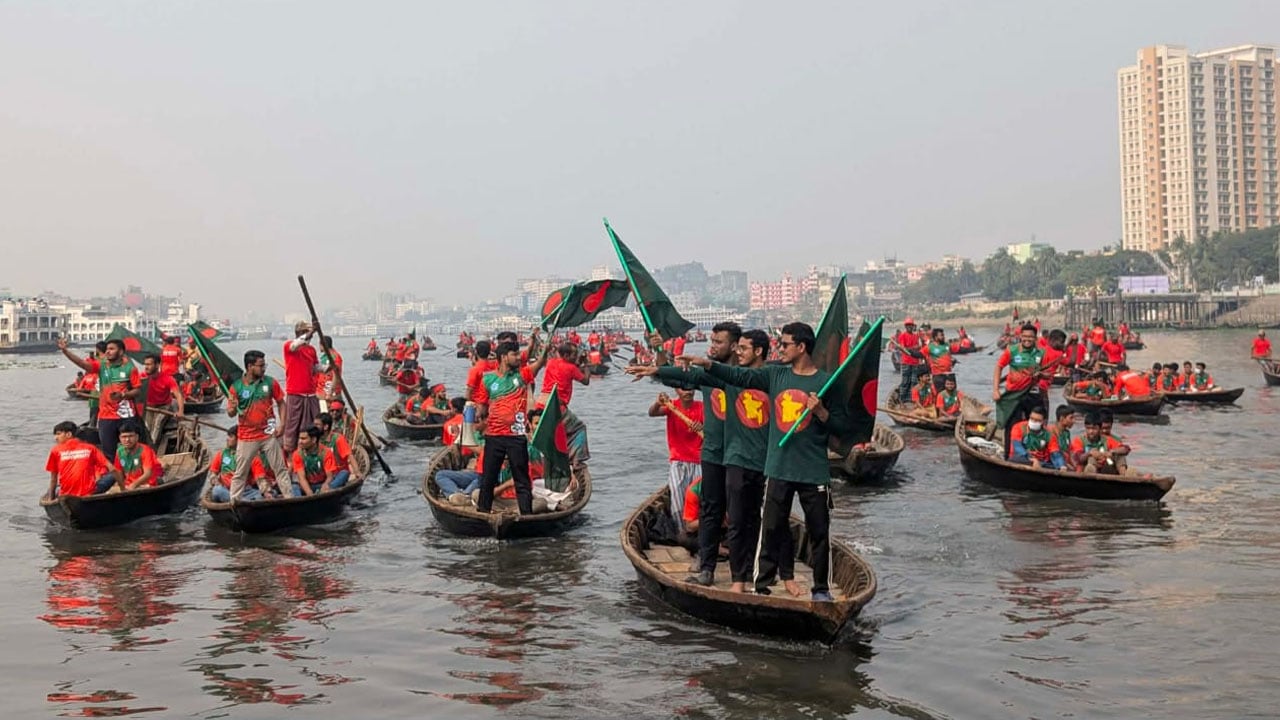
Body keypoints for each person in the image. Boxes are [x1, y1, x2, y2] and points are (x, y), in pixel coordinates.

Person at [678, 321, 845, 602]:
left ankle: (820, 589)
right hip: (777, 466)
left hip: (813, 470)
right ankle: (760, 584)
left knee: (818, 531)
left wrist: (821, 412)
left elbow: (843, 428)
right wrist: (707, 365)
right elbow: (740, 378)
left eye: (785, 344)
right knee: (769, 526)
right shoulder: (774, 375)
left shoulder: (825, 382)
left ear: (801, 347)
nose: (780, 348)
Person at [628, 321, 743, 589]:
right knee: (710, 510)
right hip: (711, 456)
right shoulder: (707, 378)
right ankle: (706, 566)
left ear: (736, 346)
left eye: (718, 342)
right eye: (711, 342)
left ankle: (742, 572)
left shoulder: (746, 377)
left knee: (740, 513)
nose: (712, 347)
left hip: (740, 455)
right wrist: (657, 360)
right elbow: (678, 376)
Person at [472, 336, 549, 514]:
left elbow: (539, 364)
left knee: (522, 479)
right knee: (488, 478)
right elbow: (481, 409)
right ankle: (483, 513)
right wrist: (475, 415)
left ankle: (526, 515)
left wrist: (544, 349)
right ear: (504, 357)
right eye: (515, 354)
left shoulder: (522, 375)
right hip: (494, 436)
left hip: (516, 436)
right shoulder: (487, 380)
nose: (518, 357)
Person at [57, 337, 141, 462]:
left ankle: (133, 473)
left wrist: (123, 395)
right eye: (107, 349)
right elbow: (82, 363)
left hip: (126, 416)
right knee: (108, 452)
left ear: (121, 352)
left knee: (131, 449)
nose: (108, 352)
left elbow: (137, 390)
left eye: (112, 349)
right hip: (106, 417)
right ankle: (115, 477)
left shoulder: (130, 368)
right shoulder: (102, 366)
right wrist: (65, 351)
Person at [226, 349, 294, 501]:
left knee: (280, 469)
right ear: (250, 366)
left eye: (264, 365)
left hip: (268, 434)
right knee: (240, 472)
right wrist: (232, 407)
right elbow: (230, 412)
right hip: (246, 437)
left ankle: (289, 499)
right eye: (260, 365)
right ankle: (234, 502)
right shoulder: (236, 387)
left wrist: (283, 425)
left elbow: (282, 403)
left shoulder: (270, 382)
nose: (263, 368)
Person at [649, 388, 704, 523]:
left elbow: (712, 428)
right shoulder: (671, 406)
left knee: (699, 498)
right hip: (678, 461)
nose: (688, 392)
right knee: (678, 500)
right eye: (683, 389)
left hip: (699, 461)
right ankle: (681, 530)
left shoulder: (702, 407)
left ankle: (699, 531)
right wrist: (658, 402)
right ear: (676, 390)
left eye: (691, 389)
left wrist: (702, 427)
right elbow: (652, 412)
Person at [992, 323, 1046, 450]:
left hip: (1032, 393)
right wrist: (995, 390)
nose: (1027, 339)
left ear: (1035, 338)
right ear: (1020, 336)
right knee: (1012, 425)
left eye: (1030, 337)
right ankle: (1009, 455)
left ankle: (1035, 452)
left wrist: (1041, 375)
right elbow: (999, 367)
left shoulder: (1041, 353)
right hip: (1013, 394)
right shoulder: (1012, 350)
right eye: (1024, 336)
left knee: (1035, 425)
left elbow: (1048, 375)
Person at [45, 420, 114, 498]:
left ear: (69, 434)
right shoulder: (90, 448)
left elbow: (53, 479)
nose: (56, 438)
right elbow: (111, 468)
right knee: (114, 474)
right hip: (89, 491)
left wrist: (51, 499)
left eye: (58, 434)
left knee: (51, 489)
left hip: (66, 493)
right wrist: (122, 487)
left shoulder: (55, 450)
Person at [282, 321, 321, 456]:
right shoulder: (289, 346)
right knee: (293, 424)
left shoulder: (311, 350)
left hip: (310, 393)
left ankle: (312, 449)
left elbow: (316, 368)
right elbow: (295, 345)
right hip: (295, 393)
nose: (309, 336)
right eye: (305, 333)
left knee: (313, 422)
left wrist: (329, 367)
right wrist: (312, 331)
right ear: (299, 334)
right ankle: (290, 453)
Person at [208, 428, 266, 503]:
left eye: (231, 437)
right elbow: (212, 474)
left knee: (261, 496)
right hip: (227, 490)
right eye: (228, 436)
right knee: (217, 491)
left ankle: (240, 501)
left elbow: (260, 478)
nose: (227, 439)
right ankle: (242, 502)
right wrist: (215, 480)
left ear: (239, 439)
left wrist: (266, 491)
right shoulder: (222, 454)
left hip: (245, 491)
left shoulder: (252, 456)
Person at [141, 353, 185, 444]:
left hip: (164, 407)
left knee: (157, 424)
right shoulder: (141, 376)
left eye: (149, 364)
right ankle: (146, 446)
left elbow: (178, 395)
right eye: (145, 364)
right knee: (146, 427)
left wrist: (180, 411)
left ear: (157, 365)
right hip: (149, 407)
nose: (146, 367)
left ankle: (152, 447)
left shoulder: (168, 379)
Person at [112, 421, 164, 490]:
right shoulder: (119, 451)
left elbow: (148, 474)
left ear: (137, 437)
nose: (127, 440)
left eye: (130, 436)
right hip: (129, 484)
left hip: (147, 483)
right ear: (120, 438)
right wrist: (122, 486)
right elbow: (119, 472)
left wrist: (134, 485)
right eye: (124, 437)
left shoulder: (145, 450)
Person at [291, 426, 337, 495]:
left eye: (303, 439)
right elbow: (302, 478)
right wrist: (310, 495)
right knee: (293, 487)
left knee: (344, 473)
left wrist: (324, 487)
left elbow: (329, 477)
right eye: (299, 438)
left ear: (313, 440)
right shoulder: (297, 454)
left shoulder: (326, 452)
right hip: (307, 485)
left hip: (321, 484)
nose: (300, 442)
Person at [316, 412, 357, 487]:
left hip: (338, 474)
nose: (314, 427)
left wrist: (357, 472)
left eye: (317, 425)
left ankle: (328, 489)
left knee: (344, 473)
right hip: (324, 475)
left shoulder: (338, 439)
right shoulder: (315, 440)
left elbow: (350, 456)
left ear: (325, 427)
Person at [895, 318, 926, 402]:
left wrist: (919, 347)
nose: (909, 327)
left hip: (915, 362)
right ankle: (902, 399)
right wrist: (914, 348)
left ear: (913, 326)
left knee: (914, 382)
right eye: (908, 325)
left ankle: (911, 399)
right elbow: (902, 348)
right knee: (905, 381)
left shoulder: (916, 336)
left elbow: (920, 347)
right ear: (905, 326)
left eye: (911, 325)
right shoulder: (903, 336)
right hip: (906, 362)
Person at [315, 335, 343, 403]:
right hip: (321, 392)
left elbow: (335, 375)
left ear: (322, 345)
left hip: (330, 394)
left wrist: (330, 392)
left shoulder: (334, 356)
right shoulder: (325, 357)